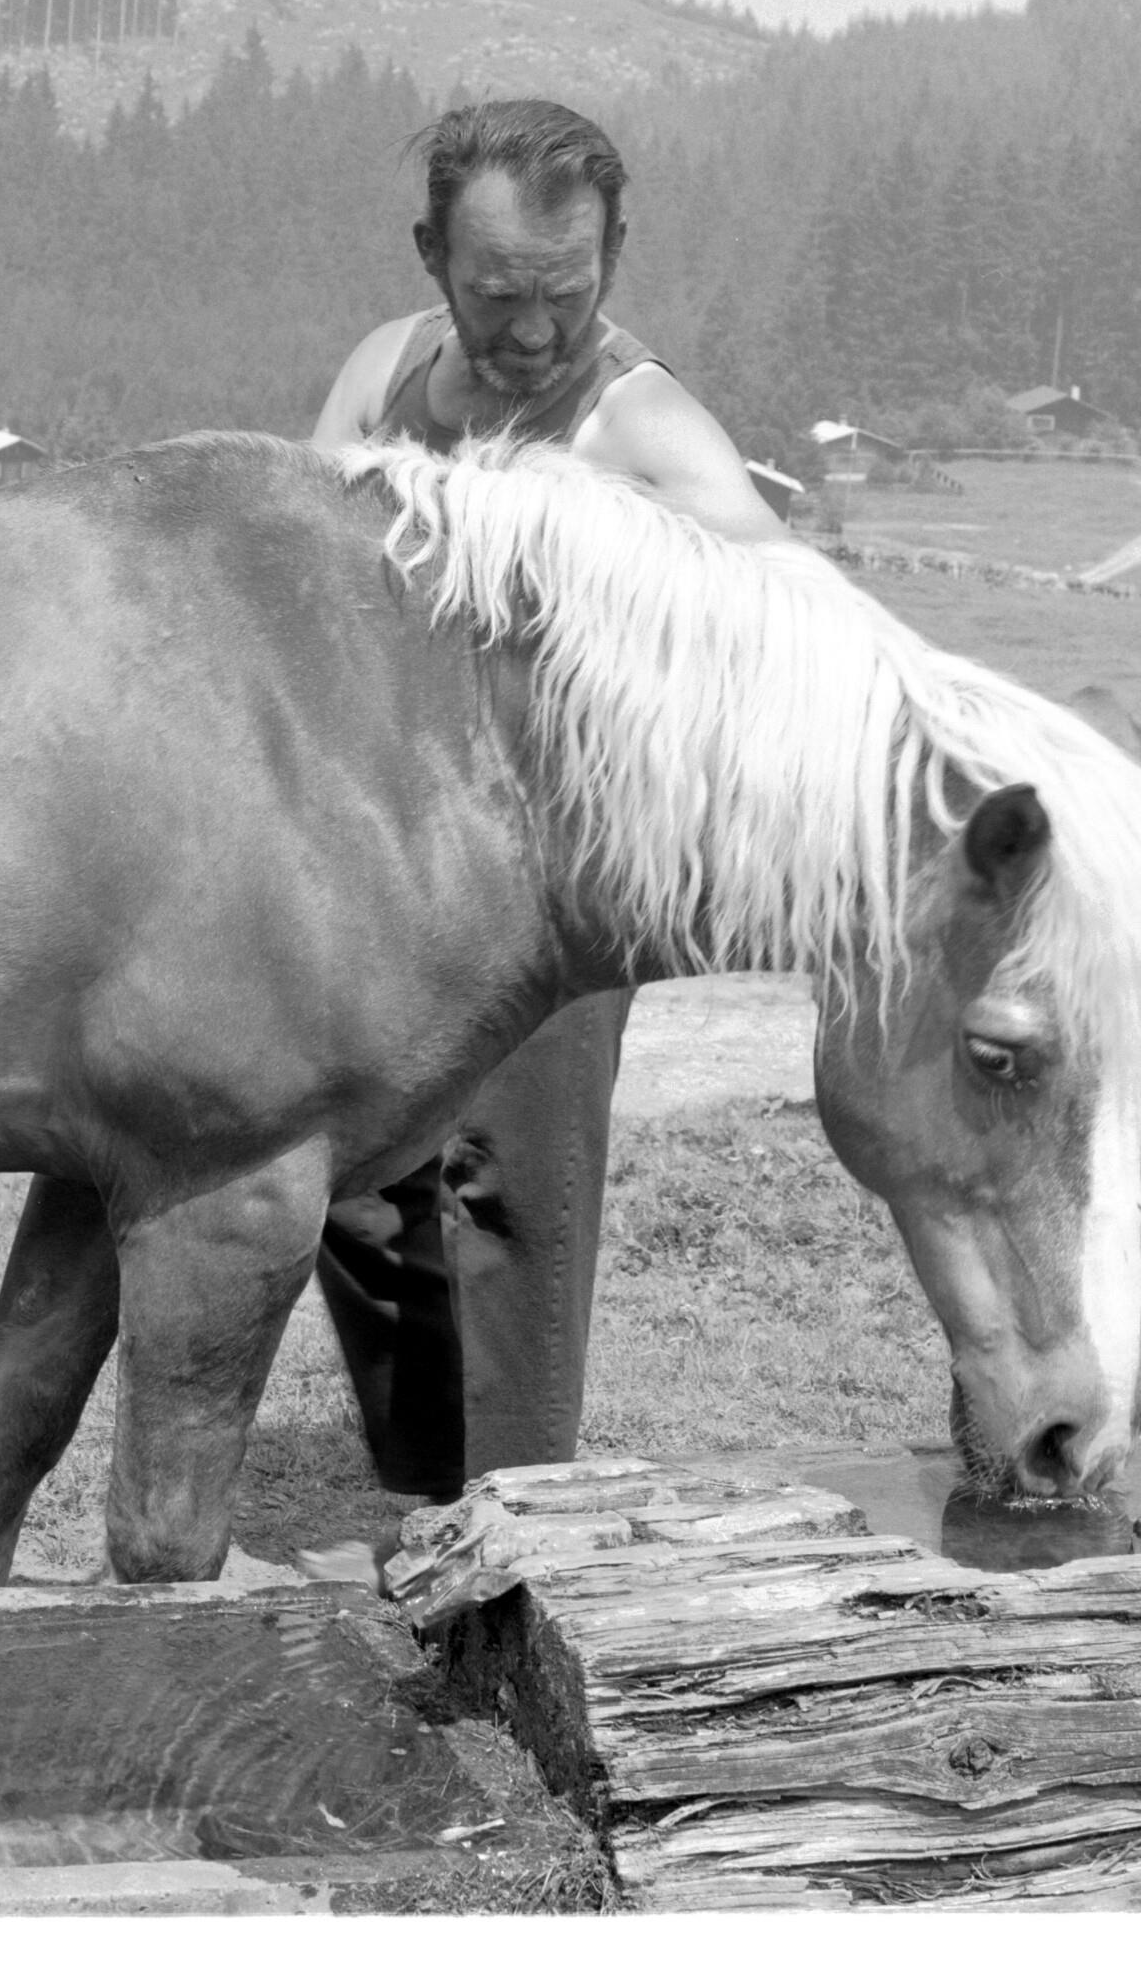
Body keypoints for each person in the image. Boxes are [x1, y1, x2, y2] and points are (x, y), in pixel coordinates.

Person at [309, 97, 789, 1497]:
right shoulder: (384, 374)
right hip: (382, 858)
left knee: (512, 1198)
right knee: (346, 1184)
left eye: (565, 294)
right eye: (498, 293)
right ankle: (431, 1492)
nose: (531, 332)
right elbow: (295, 567)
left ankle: (521, 1516)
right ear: (432, 260)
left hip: (553, 880)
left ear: (612, 258)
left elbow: (789, 609)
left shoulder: (651, 431)